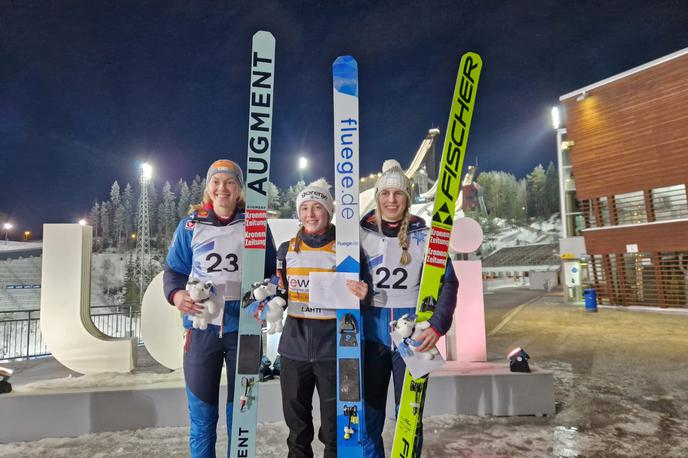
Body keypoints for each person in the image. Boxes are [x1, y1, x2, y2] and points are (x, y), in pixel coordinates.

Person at [163, 159, 277, 457]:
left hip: (245, 331)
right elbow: (173, 271)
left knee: (241, 415)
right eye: (216, 182)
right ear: (208, 188)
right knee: (202, 418)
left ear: (239, 189)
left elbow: (271, 272)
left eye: (229, 182)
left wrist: (268, 295)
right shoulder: (191, 225)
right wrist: (176, 296)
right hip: (202, 329)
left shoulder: (254, 225)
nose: (222, 188)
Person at [360, 159, 458, 458]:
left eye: (398, 194)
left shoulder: (425, 235)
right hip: (370, 336)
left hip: (412, 338)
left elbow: (449, 283)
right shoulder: (360, 234)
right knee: (368, 417)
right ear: (377, 197)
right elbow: (343, 279)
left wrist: (439, 325)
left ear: (408, 198)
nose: (391, 200)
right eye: (385, 194)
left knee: (410, 417)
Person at [273, 178, 370, 458]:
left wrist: (364, 293)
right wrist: (269, 300)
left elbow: (365, 292)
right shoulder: (286, 249)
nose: (310, 214)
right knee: (297, 430)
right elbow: (277, 289)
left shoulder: (346, 248)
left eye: (318, 207)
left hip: (335, 351)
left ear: (329, 211)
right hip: (294, 349)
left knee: (336, 429)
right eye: (304, 208)